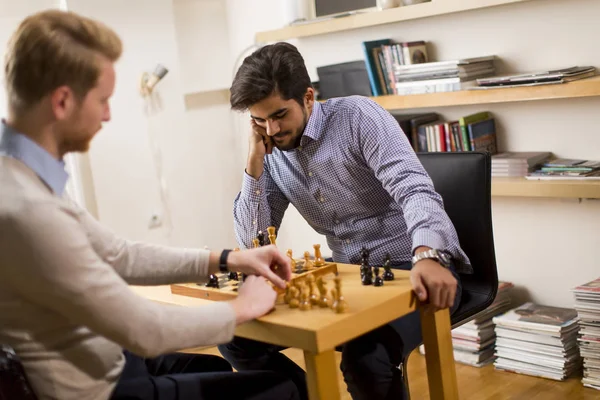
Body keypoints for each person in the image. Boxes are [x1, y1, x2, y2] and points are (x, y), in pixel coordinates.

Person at [0, 10, 300, 400]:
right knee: (285, 388)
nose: (108, 115)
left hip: (110, 360)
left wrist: (230, 259)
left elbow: (119, 256)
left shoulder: (21, 176)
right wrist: (240, 309)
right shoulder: (28, 211)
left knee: (214, 365)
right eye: (103, 100)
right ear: (62, 102)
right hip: (101, 390)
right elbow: (144, 328)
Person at [218, 42, 473, 400]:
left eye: (279, 115)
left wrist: (429, 254)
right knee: (236, 337)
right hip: (349, 277)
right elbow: (253, 240)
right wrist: (254, 161)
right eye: (259, 120)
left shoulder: (359, 117)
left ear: (307, 97)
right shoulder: (270, 150)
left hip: (413, 267)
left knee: (365, 359)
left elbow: (414, 190)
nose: (271, 130)